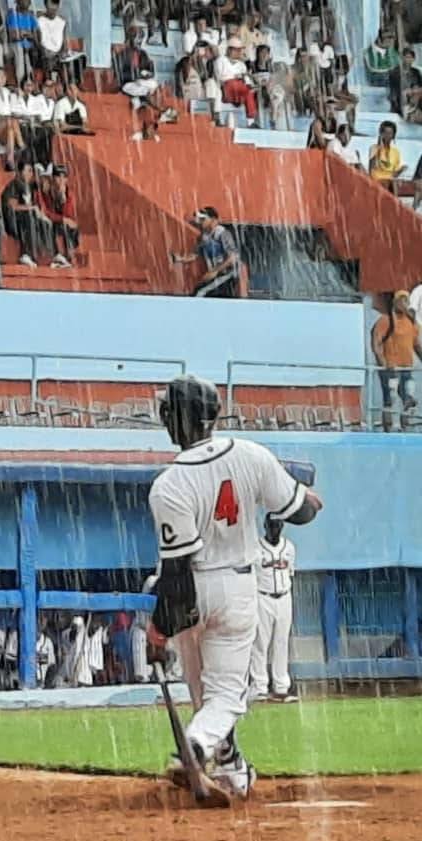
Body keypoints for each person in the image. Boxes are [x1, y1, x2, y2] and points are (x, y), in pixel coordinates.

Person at [147, 374, 322, 804]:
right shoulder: (249, 453)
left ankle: (232, 773)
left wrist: (158, 630)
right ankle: (200, 747)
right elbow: (300, 511)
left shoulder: (168, 484)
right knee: (225, 696)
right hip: (240, 584)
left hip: (193, 588)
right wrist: (312, 501)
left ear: (172, 419)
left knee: (205, 694)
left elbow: (176, 573)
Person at [249, 516, 297, 704]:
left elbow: (290, 571)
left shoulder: (289, 547)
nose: (275, 528)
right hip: (263, 596)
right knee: (260, 643)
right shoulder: (256, 547)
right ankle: (260, 687)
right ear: (265, 526)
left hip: (284, 596)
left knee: (281, 642)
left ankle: (281, 687)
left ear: (282, 526)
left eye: (278, 525)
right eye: (271, 525)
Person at [371, 290, 422, 432]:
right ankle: (388, 429)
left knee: (408, 399)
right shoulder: (385, 320)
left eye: (407, 301)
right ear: (395, 302)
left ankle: (404, 428)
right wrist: (383, 363)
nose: (404, 304)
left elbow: (417, 345)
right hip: (391, 368)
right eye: (402, 300)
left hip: (406, 368)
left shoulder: (411, 323)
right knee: (390, 399)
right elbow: (376, 343)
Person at [170, 206, 240, 298]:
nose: (199, 222)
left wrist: (215, 271)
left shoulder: (223, 234)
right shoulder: (203, 237)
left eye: (203, 219)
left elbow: (233, 257)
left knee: (200, 293)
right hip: (215, 276)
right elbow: (195, 255)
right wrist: (180, 259)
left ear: (214, 220)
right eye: (199, 219)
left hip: (227, 275)